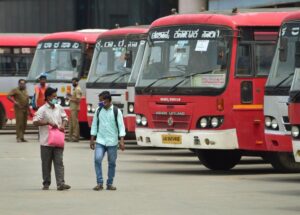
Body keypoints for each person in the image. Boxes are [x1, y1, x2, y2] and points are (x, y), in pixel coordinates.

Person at [33, 87, 71, 191]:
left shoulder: (59, 107)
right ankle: (46, 183)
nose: (56, 98)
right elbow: (35, 122)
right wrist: (47, 123)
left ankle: (61, 183)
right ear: (48, 97)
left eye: (56, 96)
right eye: (54, 96)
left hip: (58, 140)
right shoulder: (42, 109)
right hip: (46, 142)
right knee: (46, 164)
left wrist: (63, 125)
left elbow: (65, 118)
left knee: (59, 162)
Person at [90, 91, 126, 191]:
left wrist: (121, 140)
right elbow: (94, 125)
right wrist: (92, 139)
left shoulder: (116, 111)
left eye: (102, 100)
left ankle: (109, 183)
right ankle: (99, 182)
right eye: (99, 101)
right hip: (100, 141)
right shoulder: (98, 110)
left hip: (112, 142)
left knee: (112, 163)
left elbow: (121, 126)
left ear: (108, 100)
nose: (100, 102)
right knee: (97, 159)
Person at [68, 77, 82, 142]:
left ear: (77, 82)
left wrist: (70, 99)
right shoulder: (75, 89)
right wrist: (70, 96)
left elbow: (78, 100)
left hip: (75, 108)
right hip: (72, 108)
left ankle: (75, 137)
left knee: (75, 123)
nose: (72, 83)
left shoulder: (78, 89)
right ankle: (70, 137)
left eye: (74, 82)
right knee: (71, 123)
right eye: (72, 82)